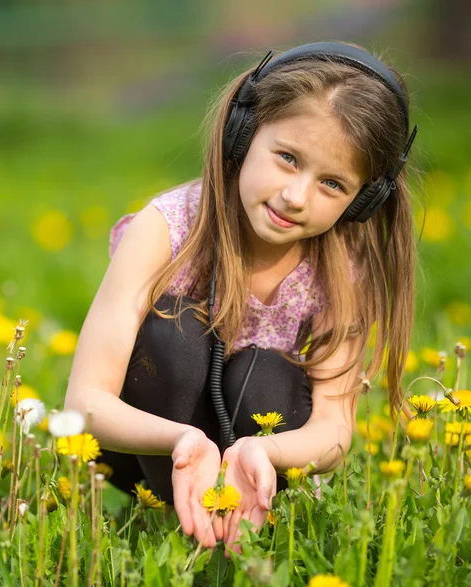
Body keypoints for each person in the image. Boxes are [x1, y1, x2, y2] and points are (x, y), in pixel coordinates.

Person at [64, 40, 419, 552]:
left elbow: (334, 432)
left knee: (266, 374)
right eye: (287, 158)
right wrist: (183, 442)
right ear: (242, 134)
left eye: (333, 184)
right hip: (149, 450)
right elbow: (85, 401)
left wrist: (263, 452)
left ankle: (248, 532)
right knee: (175, 335)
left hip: (263, 462)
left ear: (365, 200)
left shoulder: (343, 274)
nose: (296, 196)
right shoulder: (166, 230)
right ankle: (176, 524)